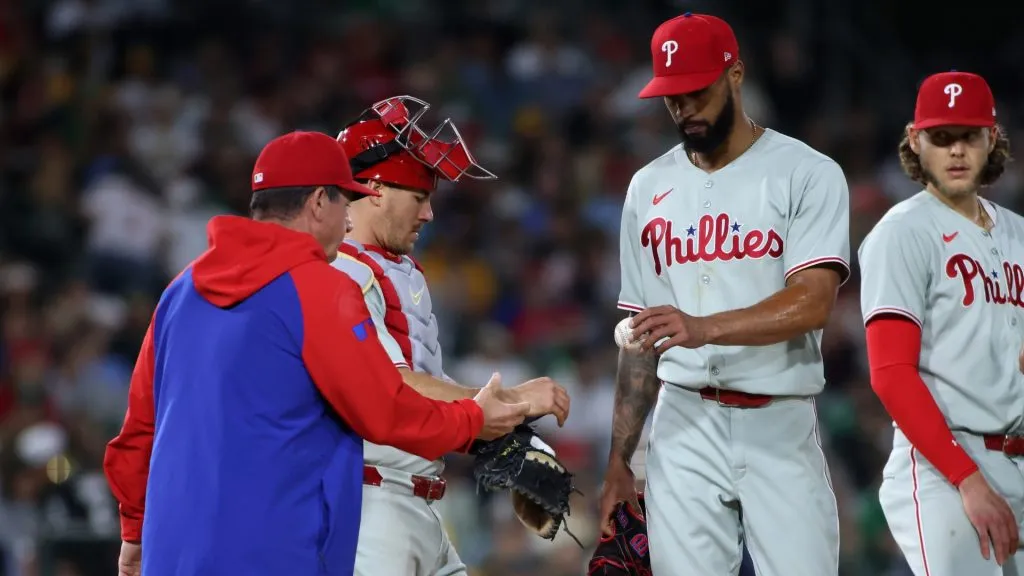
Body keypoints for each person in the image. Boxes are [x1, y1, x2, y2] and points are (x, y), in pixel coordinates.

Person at [102, 130, 531, 576]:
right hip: (275, 554)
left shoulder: (180, 291)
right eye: (346, 202)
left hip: (172, 555)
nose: (349, 222)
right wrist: (474, 420)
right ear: (318, 203)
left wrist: (134, 534)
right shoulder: (320, 289)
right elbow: (385, 411)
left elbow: (137, 434)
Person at [597, 12, 850, 576]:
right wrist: (620, 461)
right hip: (683, 421)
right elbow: (642, 333)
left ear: (735, 73)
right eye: (671, 97)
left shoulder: (806, 172)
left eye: (696, 91)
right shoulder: (649, 187)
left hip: (778, 420)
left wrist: (704, 326)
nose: (684, 107)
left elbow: (812, 302)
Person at [331, 96, 571, 576]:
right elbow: (391, 387)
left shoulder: (398, 271)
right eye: (419, 198)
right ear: (374, 188)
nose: (429, 214)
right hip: (371, 508)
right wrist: (513, 405)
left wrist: (503, 441)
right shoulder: (341, 270)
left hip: (419, 502)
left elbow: (425, 401)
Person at [859, 70, 1022, 575]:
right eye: (941, 137)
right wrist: (967, 479)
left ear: (990, 138)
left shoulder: (1019, 233)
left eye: (968, 136)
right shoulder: (903, 232)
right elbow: (890, 373)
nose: (956, 151)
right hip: (945, 464)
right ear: (915, 139)